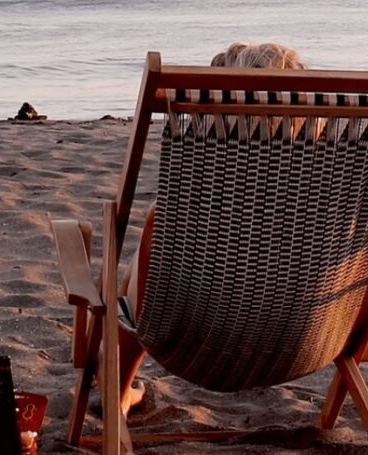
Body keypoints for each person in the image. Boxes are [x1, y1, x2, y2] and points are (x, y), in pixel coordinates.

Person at [117, 42, 306, 413]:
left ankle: (119, 392)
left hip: (192, 342)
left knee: (141, 260)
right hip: (304, 342)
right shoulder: (332, 191)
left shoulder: (194, 206)